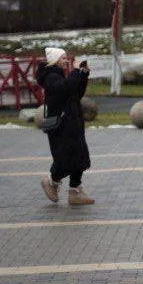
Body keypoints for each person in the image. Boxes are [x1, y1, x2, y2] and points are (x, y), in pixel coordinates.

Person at [37, 47, 94, 206]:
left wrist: (83, 75)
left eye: (66, 58)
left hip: (72, 125)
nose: (67, 61)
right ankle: (51, 182)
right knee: (65, 160)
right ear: (54, 61)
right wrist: (76, 72)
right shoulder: (50, 77)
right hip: (61, 128)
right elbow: (66, 88)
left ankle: (75, 192)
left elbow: (76, 93)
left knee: (80, 157)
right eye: (63, 58)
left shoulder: (61, 76)